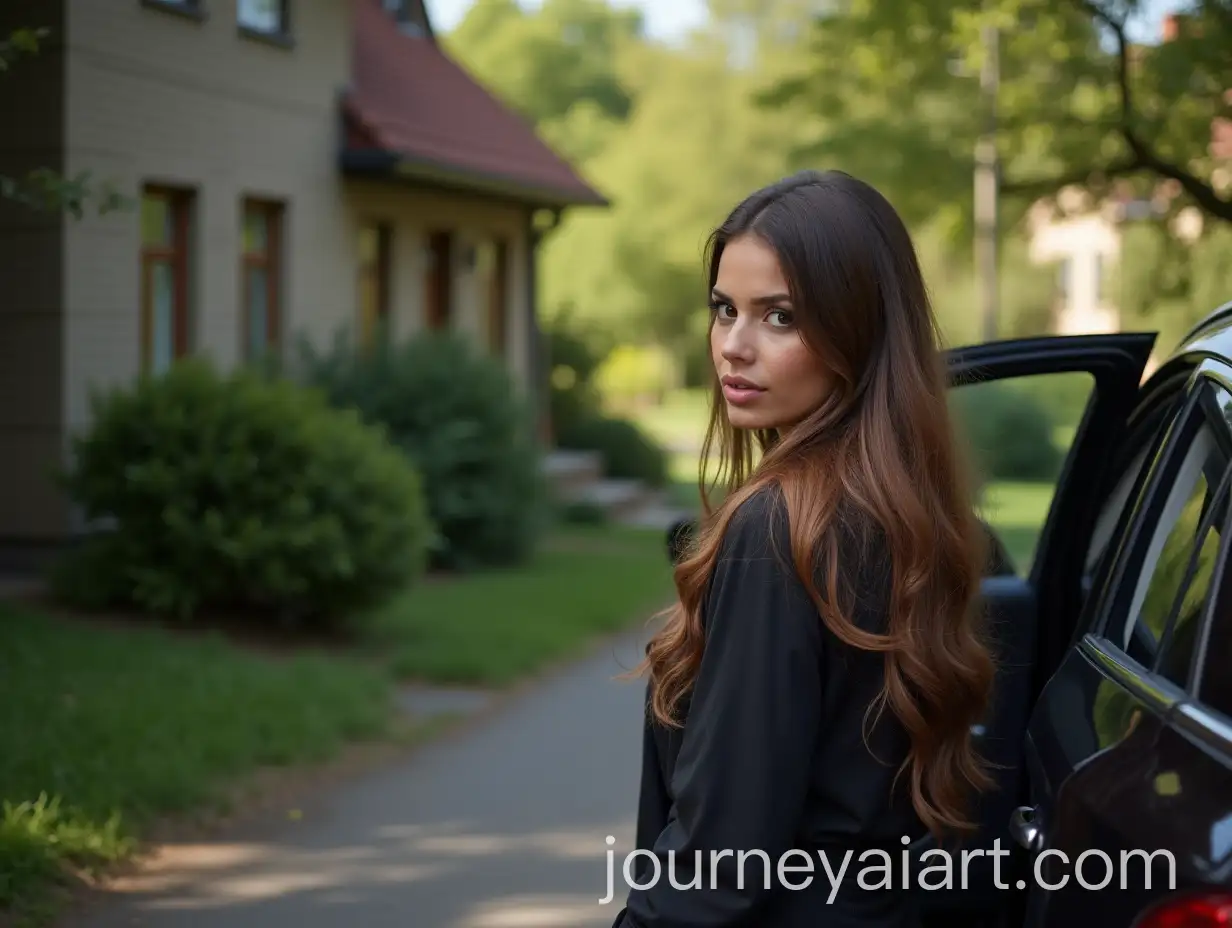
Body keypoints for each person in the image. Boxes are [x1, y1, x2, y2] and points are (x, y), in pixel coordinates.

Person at [609, 170, 997, 927]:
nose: (734, 347)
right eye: (725, 310)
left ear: (856, 332)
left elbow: (722, 868)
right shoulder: (908, 512)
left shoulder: (781, 528)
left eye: (780, 317)